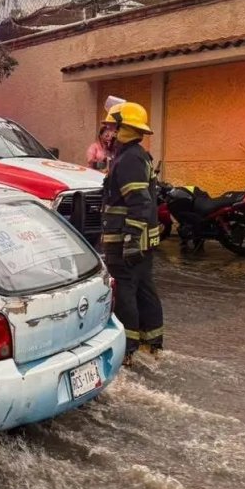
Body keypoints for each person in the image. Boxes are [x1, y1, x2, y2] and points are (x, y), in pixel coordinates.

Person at [100, 101, 163, 365]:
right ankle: (152, 343)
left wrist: (131, 240)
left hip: (126, 240)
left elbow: (139, 202)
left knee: (126, 292)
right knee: (143, 288)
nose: (107, 133)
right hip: (140, 240)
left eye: (112, 128)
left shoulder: (129, 159)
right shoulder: (136, 156)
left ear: (124, 129)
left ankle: (127, 349)